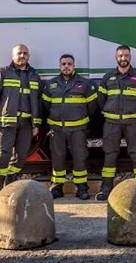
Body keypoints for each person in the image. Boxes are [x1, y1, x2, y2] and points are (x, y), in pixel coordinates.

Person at [95, 45, 136, 201]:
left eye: (126, 55)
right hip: (112, 123)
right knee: (110, 155)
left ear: (130, 57)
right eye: (120, 56)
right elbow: (101, 100)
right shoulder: (108, 77)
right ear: (116, 57)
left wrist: (134, 113)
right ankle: (106, 188)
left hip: (133, 123)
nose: (123, 58)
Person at [42, 54, 97, 200]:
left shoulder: (84, 83)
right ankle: (57, 187)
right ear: (59, 66)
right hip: (57, 129)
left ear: (74, 66)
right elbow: (46, 105)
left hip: (78, 129)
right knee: (57, 157)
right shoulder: (51, 84)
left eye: (69, 64)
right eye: (64, 64)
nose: (66, 66)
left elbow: (92, 107)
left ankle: (82, 188)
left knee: (80, 158)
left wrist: (81, 120)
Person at [0, 44, 41, 190]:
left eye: (25, 53)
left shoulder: (34, 75)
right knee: (3, 156)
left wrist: (36, 124)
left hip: (26, 124)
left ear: (28, 56)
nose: (22, 55)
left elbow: (37, 102)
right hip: (7, 123)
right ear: (13, 56)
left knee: (21, 157)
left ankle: (9, 186)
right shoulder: (3, 72)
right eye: (19, 53)